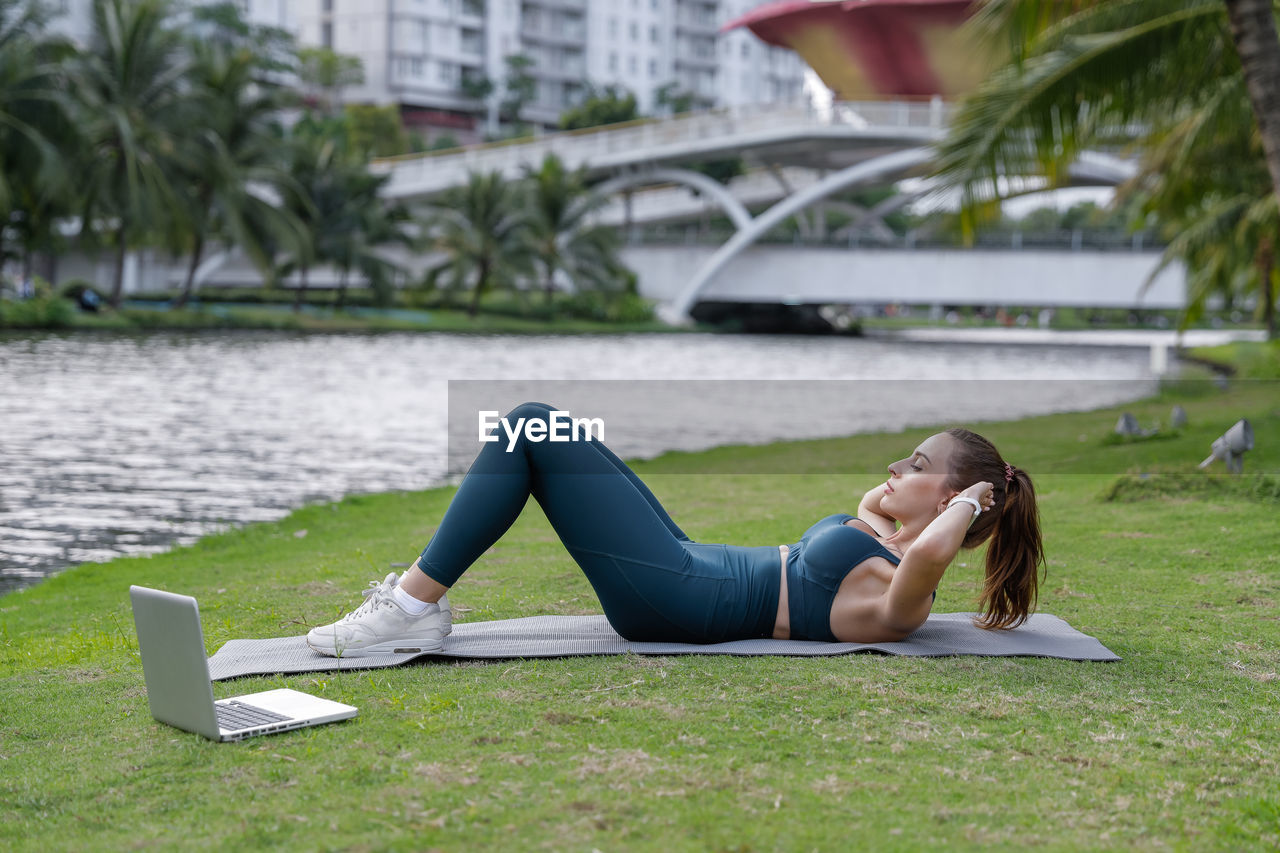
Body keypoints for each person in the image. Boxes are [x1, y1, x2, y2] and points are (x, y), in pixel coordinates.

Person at [305, 402, 1046, 657]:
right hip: (690, 565)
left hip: (679, 597)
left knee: (529, 426)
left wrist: (976, 499)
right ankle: (413, 604)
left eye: (914, 462)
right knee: (548, 425)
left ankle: (409, 609)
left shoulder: (905, 592)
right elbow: (875, 502)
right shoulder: (888, 547)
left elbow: (937, 546)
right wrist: (924, 497)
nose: (893, 468)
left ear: (955, 501)